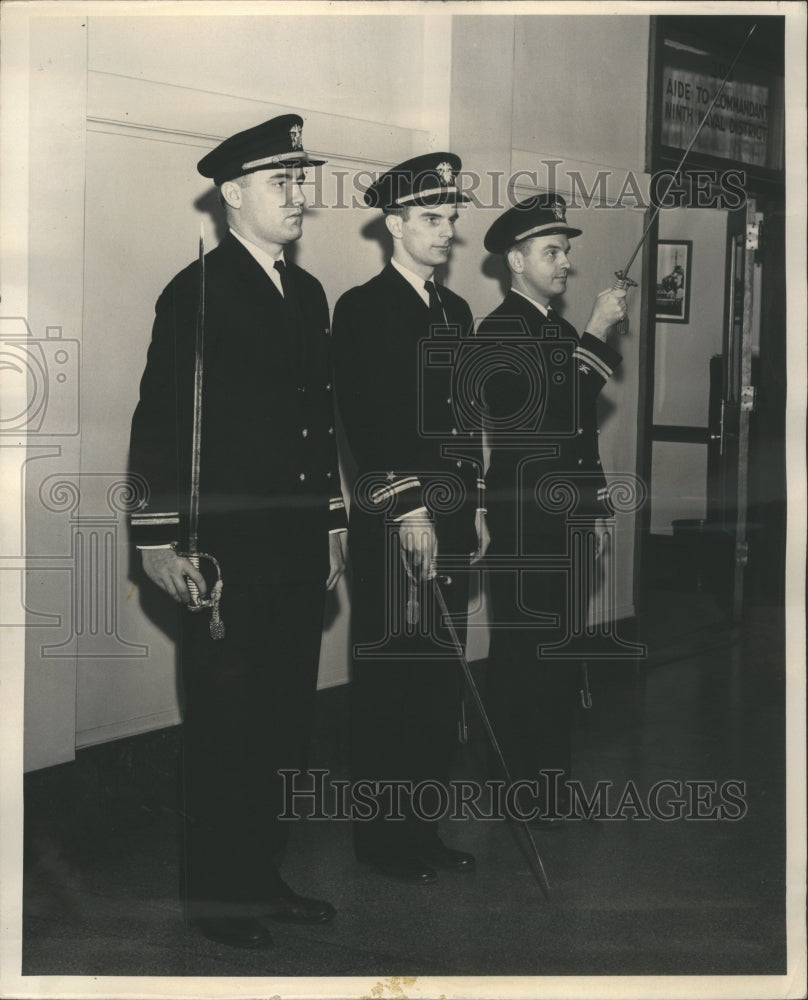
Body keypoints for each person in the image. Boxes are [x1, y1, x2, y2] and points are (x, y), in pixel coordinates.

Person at [128, 114, 347, 948]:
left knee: (283, 724)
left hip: (294, 552)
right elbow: (158, 423)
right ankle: (217, 900)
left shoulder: (310, 292)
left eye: (303, 180)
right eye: (283, 182)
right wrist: (154, 540)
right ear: (233, 195)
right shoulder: (199, 291)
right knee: (226, 730)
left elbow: (316, 424)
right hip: (223, 557)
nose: (300, 195)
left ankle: (263, 877)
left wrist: (330, 522)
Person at [332, 154, 487, 883]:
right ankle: (383, 840)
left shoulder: (454, 311)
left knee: (435, 680)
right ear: (394, 224)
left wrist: (472, 507)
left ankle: (422, 831)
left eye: (451, 220)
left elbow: (462, 422)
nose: (444, 232)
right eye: (430, 218)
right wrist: (412, 508)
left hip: (450, 517)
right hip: (396, 519)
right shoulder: (363, 307)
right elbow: (365, 421)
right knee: (393, 675)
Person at [480, 193, 625, 821]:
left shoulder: (556, 330)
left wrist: (591, 511)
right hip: (523, 523)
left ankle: (550, 786)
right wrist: (596, 334)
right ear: (516, 261)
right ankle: (520, 791)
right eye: (551, 251)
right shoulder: (499, 331)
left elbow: (580, 437)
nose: (564, 262)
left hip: (564, 518)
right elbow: (550, 414)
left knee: (559, 655)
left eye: (565, 251)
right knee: (526, 656)